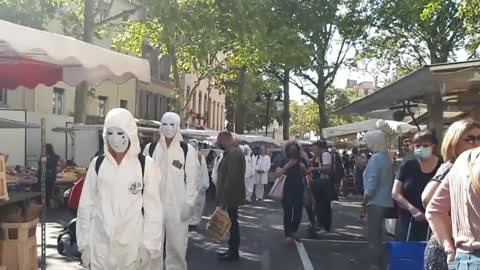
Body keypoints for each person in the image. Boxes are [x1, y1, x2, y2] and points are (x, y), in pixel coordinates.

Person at [76, 108, 163, 270]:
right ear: (104, 135)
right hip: (101, 246)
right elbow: (86, 206)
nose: (115, 140)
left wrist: (149, 246)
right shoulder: (98, 164)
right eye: (110, 133)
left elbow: (153, 210)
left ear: (130, 133)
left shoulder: (145, 166)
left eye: (120, 134)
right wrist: (84, 245)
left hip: (132, 247)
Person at [421, 119, 480, 270]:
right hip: (447, 243)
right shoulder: (452, 166)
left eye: (479, 138)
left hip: (458, 247)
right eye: (470, 139)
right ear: (454, 142)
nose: (476, 143)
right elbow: (428, 199)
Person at [151, 112, 197, 270]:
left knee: (177, 248)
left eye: (172, 124)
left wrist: (189, 204)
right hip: (154, 206)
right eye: (165, 124)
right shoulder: (151, 149)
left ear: (178, 127)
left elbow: (192, 180)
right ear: (160, 126)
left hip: (178, 207)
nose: (168, 128)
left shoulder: (187, 150)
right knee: (152, 248)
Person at [392, 130, 441, 241]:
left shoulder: (442, 166)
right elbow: (395, 192)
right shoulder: (408, 164)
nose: (421, 148)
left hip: (436, 220)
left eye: (425, 145)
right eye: (417, 145)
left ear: (433, 146)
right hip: (408, 218)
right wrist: (413, 210)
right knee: (406, 252)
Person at [360, 130, 395, 270]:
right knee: (380, 235)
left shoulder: (375, 158)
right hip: (386, 201)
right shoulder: (386, 157)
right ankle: (382, 263)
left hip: (375, 202)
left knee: (373, 237)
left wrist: (364, 202)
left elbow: (372, 184)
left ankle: (375, 265)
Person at [216, 131, 246, 261]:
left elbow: (232, 178)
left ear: (225, 140)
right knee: (231, 224)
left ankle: (233, 252)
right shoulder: (233, 152)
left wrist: (225, 200)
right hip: (231, 196)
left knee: (233, 224)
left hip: (231, 197)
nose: (219, 144)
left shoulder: (233, 153)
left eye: (219, 141)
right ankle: (232, 250)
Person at [276, 141, 306, 244]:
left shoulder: (301, 160)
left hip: (299, 188)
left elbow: (306, 173)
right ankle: (288, 234)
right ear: (287, 151)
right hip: (286, 189)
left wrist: (304, 168)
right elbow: (278, 173)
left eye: (295, 150)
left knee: (298, 212)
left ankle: (293, 231)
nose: (293, 152)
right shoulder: (283, 160)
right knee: (288, 212)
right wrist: (288, 165)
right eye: (291, 150)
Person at [309, 140, 335, 232]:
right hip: (324, 182)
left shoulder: (325, 155)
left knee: (323, 205)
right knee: (322, 205)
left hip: (325, 182)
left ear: (320, 147)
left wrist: (314, 168)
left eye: (315, 148)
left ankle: (324, 225)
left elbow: (327, 168)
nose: (315, 150)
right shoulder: (322, 155)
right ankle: (323, 225)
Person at [189, 140, 210, 229]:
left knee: (198, 205)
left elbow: (204, 171)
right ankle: (189, 221)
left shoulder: (200, 157)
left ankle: (195, 221)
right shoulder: (184, 156)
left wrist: (205, 184)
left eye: (194, 146)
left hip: (199, 185)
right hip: (188, 185)